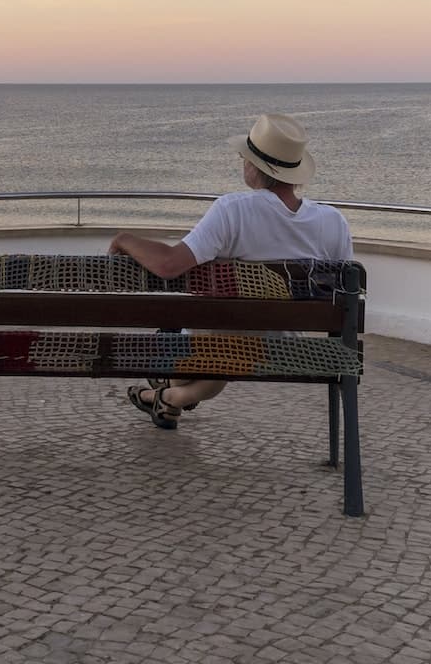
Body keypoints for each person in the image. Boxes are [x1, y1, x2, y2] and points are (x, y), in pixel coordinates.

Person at [108, 113, 353, 428]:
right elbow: (346, 294)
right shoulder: (333, 222)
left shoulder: (233, 211)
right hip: (286, 344)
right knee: (233, 337)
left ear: (256, 167)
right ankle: (169, 398)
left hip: (218, 345)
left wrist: (125, 239)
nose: (242, 162)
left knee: (214, 339)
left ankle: (166, 392)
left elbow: (169, 264)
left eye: (245, 157)